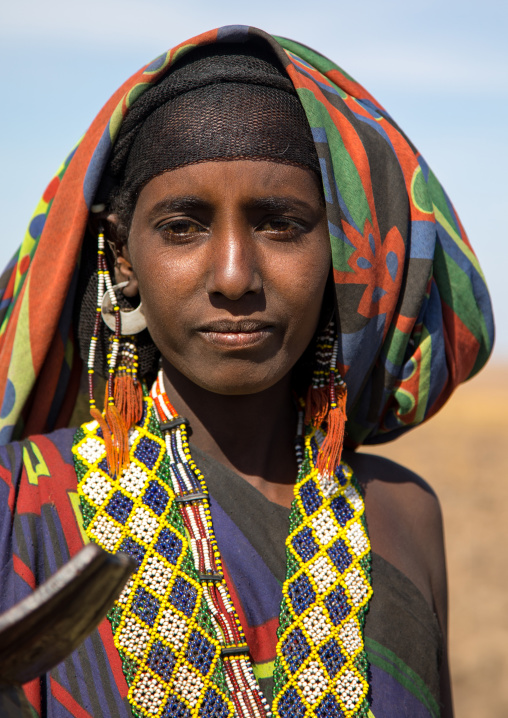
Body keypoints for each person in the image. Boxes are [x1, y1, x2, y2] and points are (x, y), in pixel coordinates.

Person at [0, 25, 494, 718]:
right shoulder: (21, 506)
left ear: (340, 254)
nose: (234, 276)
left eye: (280, 224)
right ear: (120, 260)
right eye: (183, 226)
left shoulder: (401, 516)